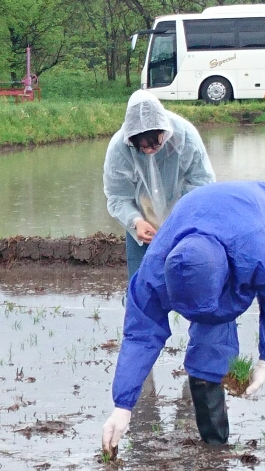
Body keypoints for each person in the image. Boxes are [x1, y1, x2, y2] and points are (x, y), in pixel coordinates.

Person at [102, 181, 265, 453]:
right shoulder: (152, 273)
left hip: (251, 217)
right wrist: (123, 406)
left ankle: (215, 447)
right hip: (199, 219)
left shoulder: (256, 248)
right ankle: (214, 447)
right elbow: (141, 335)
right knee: (209, 349)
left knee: (212, 334)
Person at [103, 90, 215, 281]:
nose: (148, 150)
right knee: (140, 284)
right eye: (142, 147)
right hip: (143, 224)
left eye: (154, 145)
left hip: (183, 220)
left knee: (189, 282)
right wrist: (136, 222)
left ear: (164, 131)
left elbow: (201, 184)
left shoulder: (185, 137)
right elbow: (118, 196)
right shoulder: (119, 149)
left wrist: (181, 220)